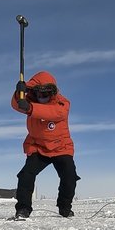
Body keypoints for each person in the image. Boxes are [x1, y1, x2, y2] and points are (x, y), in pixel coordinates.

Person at [11, 71, 80, 219]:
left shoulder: (62, 104)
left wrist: (30, 108)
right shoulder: (30, 102)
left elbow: (53, 113)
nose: (43, 97)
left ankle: (65, 208)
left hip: (61, 147)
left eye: (47, 94)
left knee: (69, 176)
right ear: (34, 93)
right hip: (38, 147)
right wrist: (19, 92)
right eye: (40, 94)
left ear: (53, 92)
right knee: (25, 176)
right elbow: (16, 104)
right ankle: (23, 209)